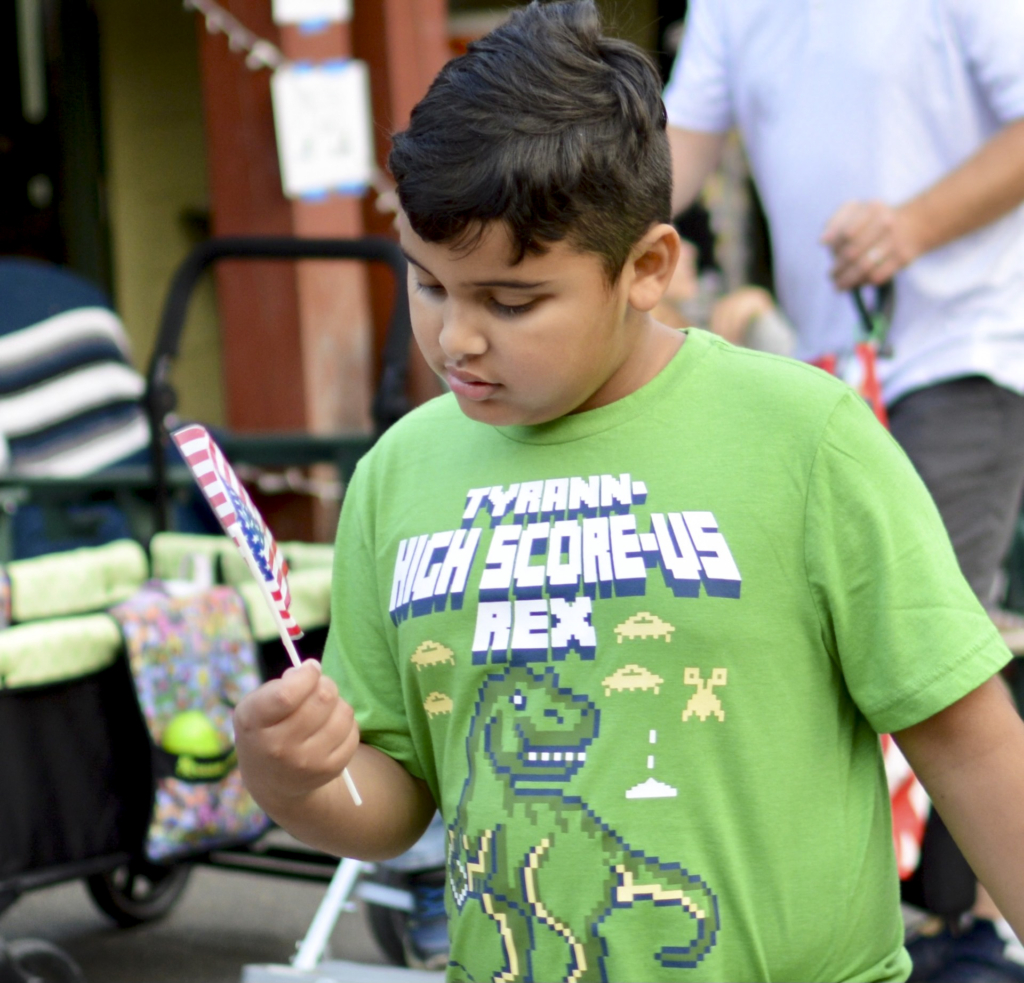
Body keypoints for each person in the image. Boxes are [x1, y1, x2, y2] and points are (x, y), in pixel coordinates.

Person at [233, 3, 1024, 979]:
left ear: (646, 267)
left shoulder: (802, 434)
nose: (454, 339)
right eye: (428, 283)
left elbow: (970, 739)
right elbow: (395, 804)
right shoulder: (399, 474)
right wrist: (297, 777)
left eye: (511, 301)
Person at [663, 1, 1024, 974]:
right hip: (822, 366)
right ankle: (885, 919)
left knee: (935, 642)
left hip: (965, 346)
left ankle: (981, 923)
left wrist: (915, 222)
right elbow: (665, 162)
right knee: (815, 643)